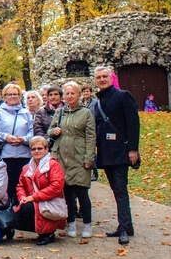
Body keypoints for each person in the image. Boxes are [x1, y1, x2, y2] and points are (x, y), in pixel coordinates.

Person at [94, 66, 140, 245]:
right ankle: (127, 225)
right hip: (106, 153)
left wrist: (133, 149)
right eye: (99, 77)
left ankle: (123, 228)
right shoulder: (98, 101)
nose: (102, 79)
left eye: (105, 76)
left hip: (121, 151)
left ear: (111, 78)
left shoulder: (122, 96)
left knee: (120, 190)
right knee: (116, 189)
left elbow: (133, 123)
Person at [48, 81, 96, 239]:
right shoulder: (60, 112)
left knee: (82, 193)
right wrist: (53, 131)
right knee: (68, 194)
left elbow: (91, 137)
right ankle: (71, 223)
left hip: (79, 158)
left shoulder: (86, 113)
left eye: (72, 93)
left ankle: (87, 224)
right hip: (62, 158)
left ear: (79, 95)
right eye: (67, 93)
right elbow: (50, 131)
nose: (69, 96)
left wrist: (89, 158)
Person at [13, 136, 66, 246]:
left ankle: (48, 233)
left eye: (40, 148)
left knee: (28, 208)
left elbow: (56, 187)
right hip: (31, 202)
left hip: (49, 201)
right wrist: (22, 198)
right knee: (13, 218)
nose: (36, 151)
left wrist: (34, 197)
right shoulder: (26, 168)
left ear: (46, 149)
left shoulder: (53, 165)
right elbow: (20, 186)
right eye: (33, 149)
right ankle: (40, 230)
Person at [0, 84, 33, 205]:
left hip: (24, 155)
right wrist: (6, 137)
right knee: (7, 186)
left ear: (20, 96)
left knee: (23, 185)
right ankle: (7, 214)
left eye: (15, 94)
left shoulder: (26, 113)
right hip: (5, 155)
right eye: (9, 94)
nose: (12, 96)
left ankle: (22, 212)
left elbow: (32, 132)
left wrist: (23, 139)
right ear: (4, 96)